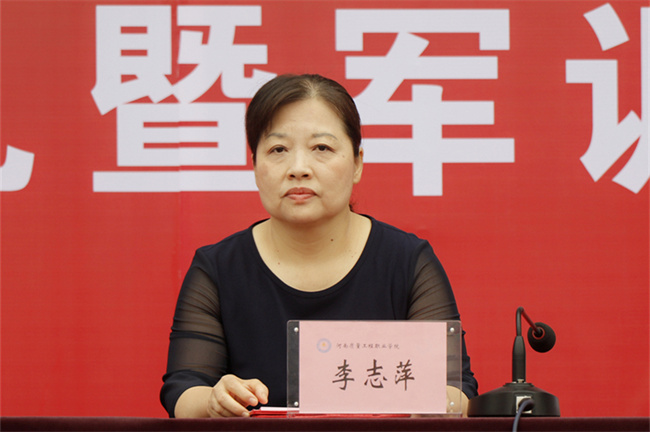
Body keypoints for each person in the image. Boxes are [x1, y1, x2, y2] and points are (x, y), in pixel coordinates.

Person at [160, 74, 478, 418]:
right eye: (278, 150)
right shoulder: (219, 268)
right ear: (254, 165)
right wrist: (213, 400)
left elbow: (456, 389)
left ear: (357, 163)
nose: (298, 169)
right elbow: (184, 388)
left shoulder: (407, 262)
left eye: (322, 148)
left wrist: (439, 403)